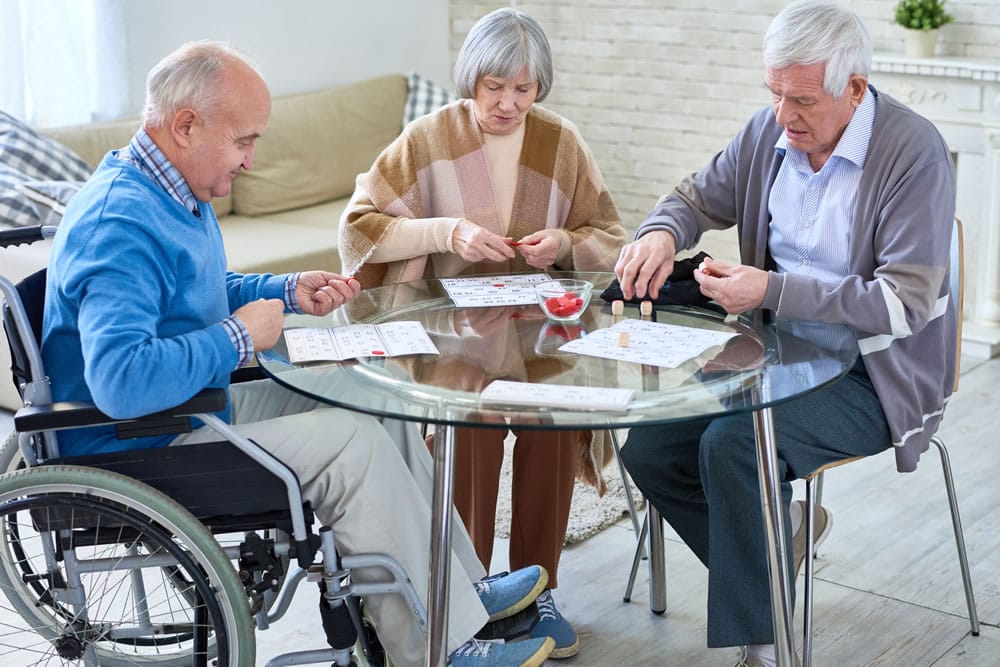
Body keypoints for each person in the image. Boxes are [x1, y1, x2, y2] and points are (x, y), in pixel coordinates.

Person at [40, 40, 556, 667]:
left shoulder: (169, 191)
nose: (251, 161)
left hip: (183, 408)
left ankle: (458, 592)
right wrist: (238, 337)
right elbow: (121, 381)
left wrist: (283, 290)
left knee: (373, 393)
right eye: (244, 141)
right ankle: (437, 649)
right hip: (137, 442)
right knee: (352, 442)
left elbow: (190, 296)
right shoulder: (121, 223)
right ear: (185, 125)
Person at [612, 1, 957, 666]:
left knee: (734, 446)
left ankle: (763, 643)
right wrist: (660, 231)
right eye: (773, 93)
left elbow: (904, 303)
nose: (783, 115)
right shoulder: (768, 137)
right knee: (649, 449)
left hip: (873, 375)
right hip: (771, 358)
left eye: (801, 99)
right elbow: (692, 197)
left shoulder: (914, 152)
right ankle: (780, 540)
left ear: (855, 88)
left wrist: (770, 290)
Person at [339, 7, 624, 658]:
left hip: (542, 338)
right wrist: (448, 231)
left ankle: (539, 588)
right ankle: (469, 595)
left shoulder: (561, 141)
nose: (509, 103)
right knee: (472, 434)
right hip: (452, 337)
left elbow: (608, 234)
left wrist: (563, 243)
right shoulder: (425, 138)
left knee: (552, 427)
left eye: (524, 89)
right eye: (495, 86)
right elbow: (361, 225)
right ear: (472, 78)